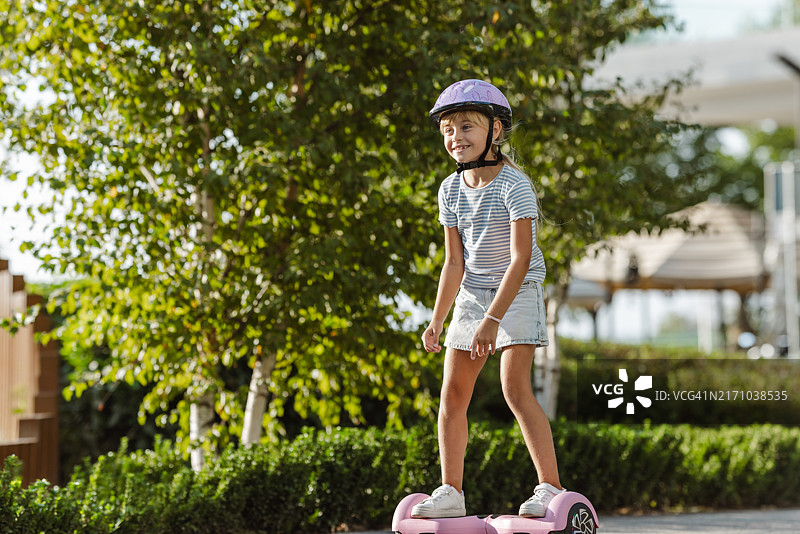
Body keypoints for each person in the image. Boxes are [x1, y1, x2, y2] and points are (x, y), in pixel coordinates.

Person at [411, 79, 564, 519]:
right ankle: (451, 493)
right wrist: (437, 320)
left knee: (514, 388)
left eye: (466, 127)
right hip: (473, 295)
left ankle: (550, 488)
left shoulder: (515, 187)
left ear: (496, 131)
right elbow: (454, 263)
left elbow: (520, 260)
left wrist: (493, 319)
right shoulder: (450, 190)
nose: (455, 137)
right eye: (447, 130)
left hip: (517, 291)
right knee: (452, 395)